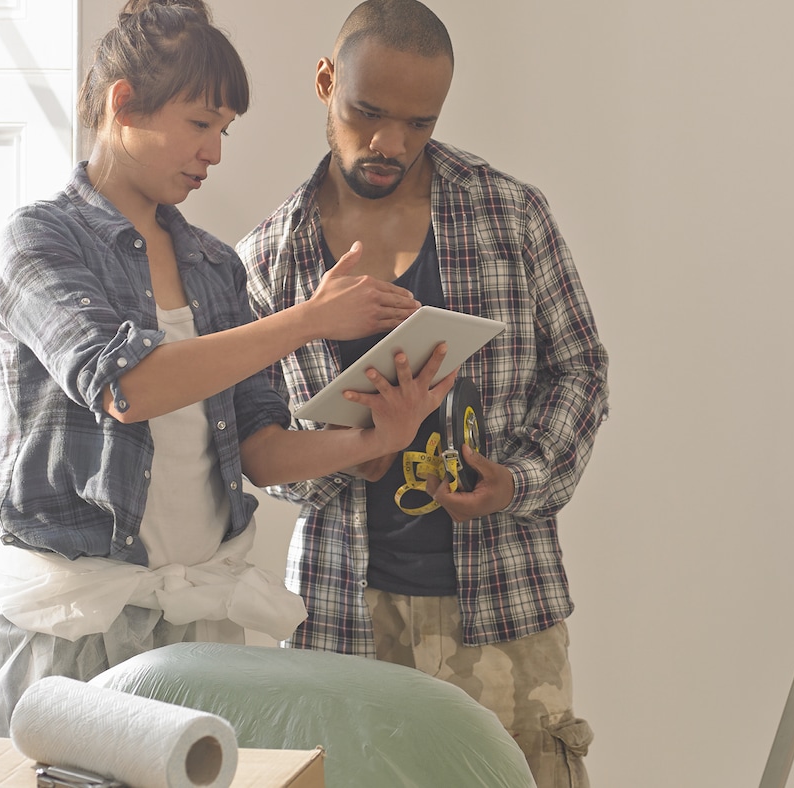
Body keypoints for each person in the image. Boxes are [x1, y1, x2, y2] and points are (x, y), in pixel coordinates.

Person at [0, 0, 456, 736]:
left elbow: (261, 448)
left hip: (199, 629)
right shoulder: (38, 240)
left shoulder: (213, 265)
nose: (216, 152)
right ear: (122, 104)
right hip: (72, 625)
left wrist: (373, 440)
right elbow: (125, 386)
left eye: (225, 129)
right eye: (201, 124)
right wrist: (308, 321)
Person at [237, 1, 609, 783]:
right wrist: (362, 454)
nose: (390, 145)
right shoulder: (270, 259)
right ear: (324, 80)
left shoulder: (511, 214)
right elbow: (262, 450)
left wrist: (519, 481)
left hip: (506, 604)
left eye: (418, 124)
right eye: (367, 114)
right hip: (341, 615)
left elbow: (580, 367)